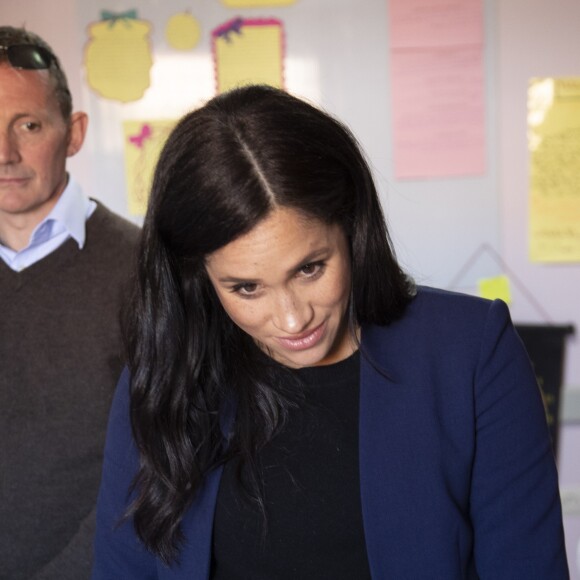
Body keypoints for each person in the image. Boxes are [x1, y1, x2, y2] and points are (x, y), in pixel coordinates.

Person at [92, 84, 568, 579]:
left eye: (310, 269)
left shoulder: (470, 352)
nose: (294, 319)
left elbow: (527, 567)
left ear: (350, 225)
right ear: (199, 275)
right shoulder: (165, 376)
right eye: (247, 288)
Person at [0, 27, 140, 579]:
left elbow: (158, 466)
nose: (4, 154)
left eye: (27, 126)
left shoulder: (143, 268)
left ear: (74, 133)